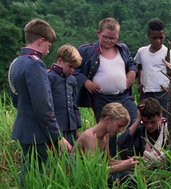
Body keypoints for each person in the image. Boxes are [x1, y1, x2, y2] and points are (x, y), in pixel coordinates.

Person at [8, 19, 72, 185]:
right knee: (38, 179)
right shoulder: (36, 65)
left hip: (25, 129)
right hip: (38, 133)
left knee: (28, 176)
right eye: (49, 45)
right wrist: (57, 137)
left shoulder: (17, 63)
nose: (48, 50)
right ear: (41, 41)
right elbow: (44, 107)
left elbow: (16, 99)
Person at [75, 17, 138, 157]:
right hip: (101, 98)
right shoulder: (87, 51)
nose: (109, 41)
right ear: (98, 33)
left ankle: (129, 154)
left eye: (113, 38)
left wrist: (132, 73)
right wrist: (86, 82)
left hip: (123, 96)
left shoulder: (123, 48)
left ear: (118, 36)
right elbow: (75, 70)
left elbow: (132, 63)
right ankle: (109, 162)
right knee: (109, 130)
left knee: (135, 122)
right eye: (105, 37)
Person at [75, 102, 137, 186]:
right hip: (80, 178)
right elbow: (93, 170)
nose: (121, 130)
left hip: (95, 175)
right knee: (129, 177)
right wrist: (123, 166)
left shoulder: (105, 135)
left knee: (132, 173)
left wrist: (129, 162)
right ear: (107, 119)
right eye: (119, 126)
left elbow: (108, 162)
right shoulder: (90, 137)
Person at [135, 19, 171, 117]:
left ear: (164, 35)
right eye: (154, 38)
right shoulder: (142, 52)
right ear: (148, 36)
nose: (158, 40)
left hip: (163, 93)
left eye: (161, 37)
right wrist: (139, 83)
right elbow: (139, 67)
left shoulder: (168, 53)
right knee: (144, 118)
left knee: (164, 119)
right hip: (146, 93)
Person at [48, 44, 83, 145]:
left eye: (75, 67)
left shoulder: (72, 79)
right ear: (59, 60)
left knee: (72, 156)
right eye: (70, 66)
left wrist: (76, 127)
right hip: (56, 127)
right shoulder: (49, 77)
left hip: (71, 127)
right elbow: (47, 105)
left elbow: (74, 105)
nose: (72, 70)